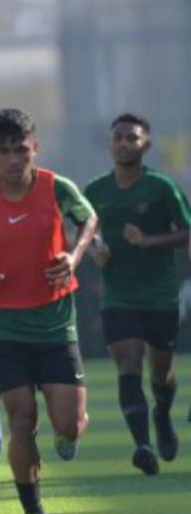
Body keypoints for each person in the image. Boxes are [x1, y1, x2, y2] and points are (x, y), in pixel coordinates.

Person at [0, 108, 97, 514]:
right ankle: (34, 513)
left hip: (54, 324)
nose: (13, 159)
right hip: (5, 327)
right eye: (3, 151)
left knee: (67, 422)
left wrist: (74, 256)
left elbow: (88, 218)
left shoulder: (56, 188)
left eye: (21, 149)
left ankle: (67, 438)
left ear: (35, 147)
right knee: (21, 419)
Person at [83, 113, 191, 475]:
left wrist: (148, 241)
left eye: (133, 138)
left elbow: (186, 232)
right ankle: (142, 445)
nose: (125, 143)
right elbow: (82, 232)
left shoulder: (161, 188)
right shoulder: (95, 191)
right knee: (128, 363)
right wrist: (95, 248)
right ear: (110, 144)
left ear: (146, 144)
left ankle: (162, 414)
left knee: (161, 373)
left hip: (160, 295)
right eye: (119, 137)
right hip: (118, 295)